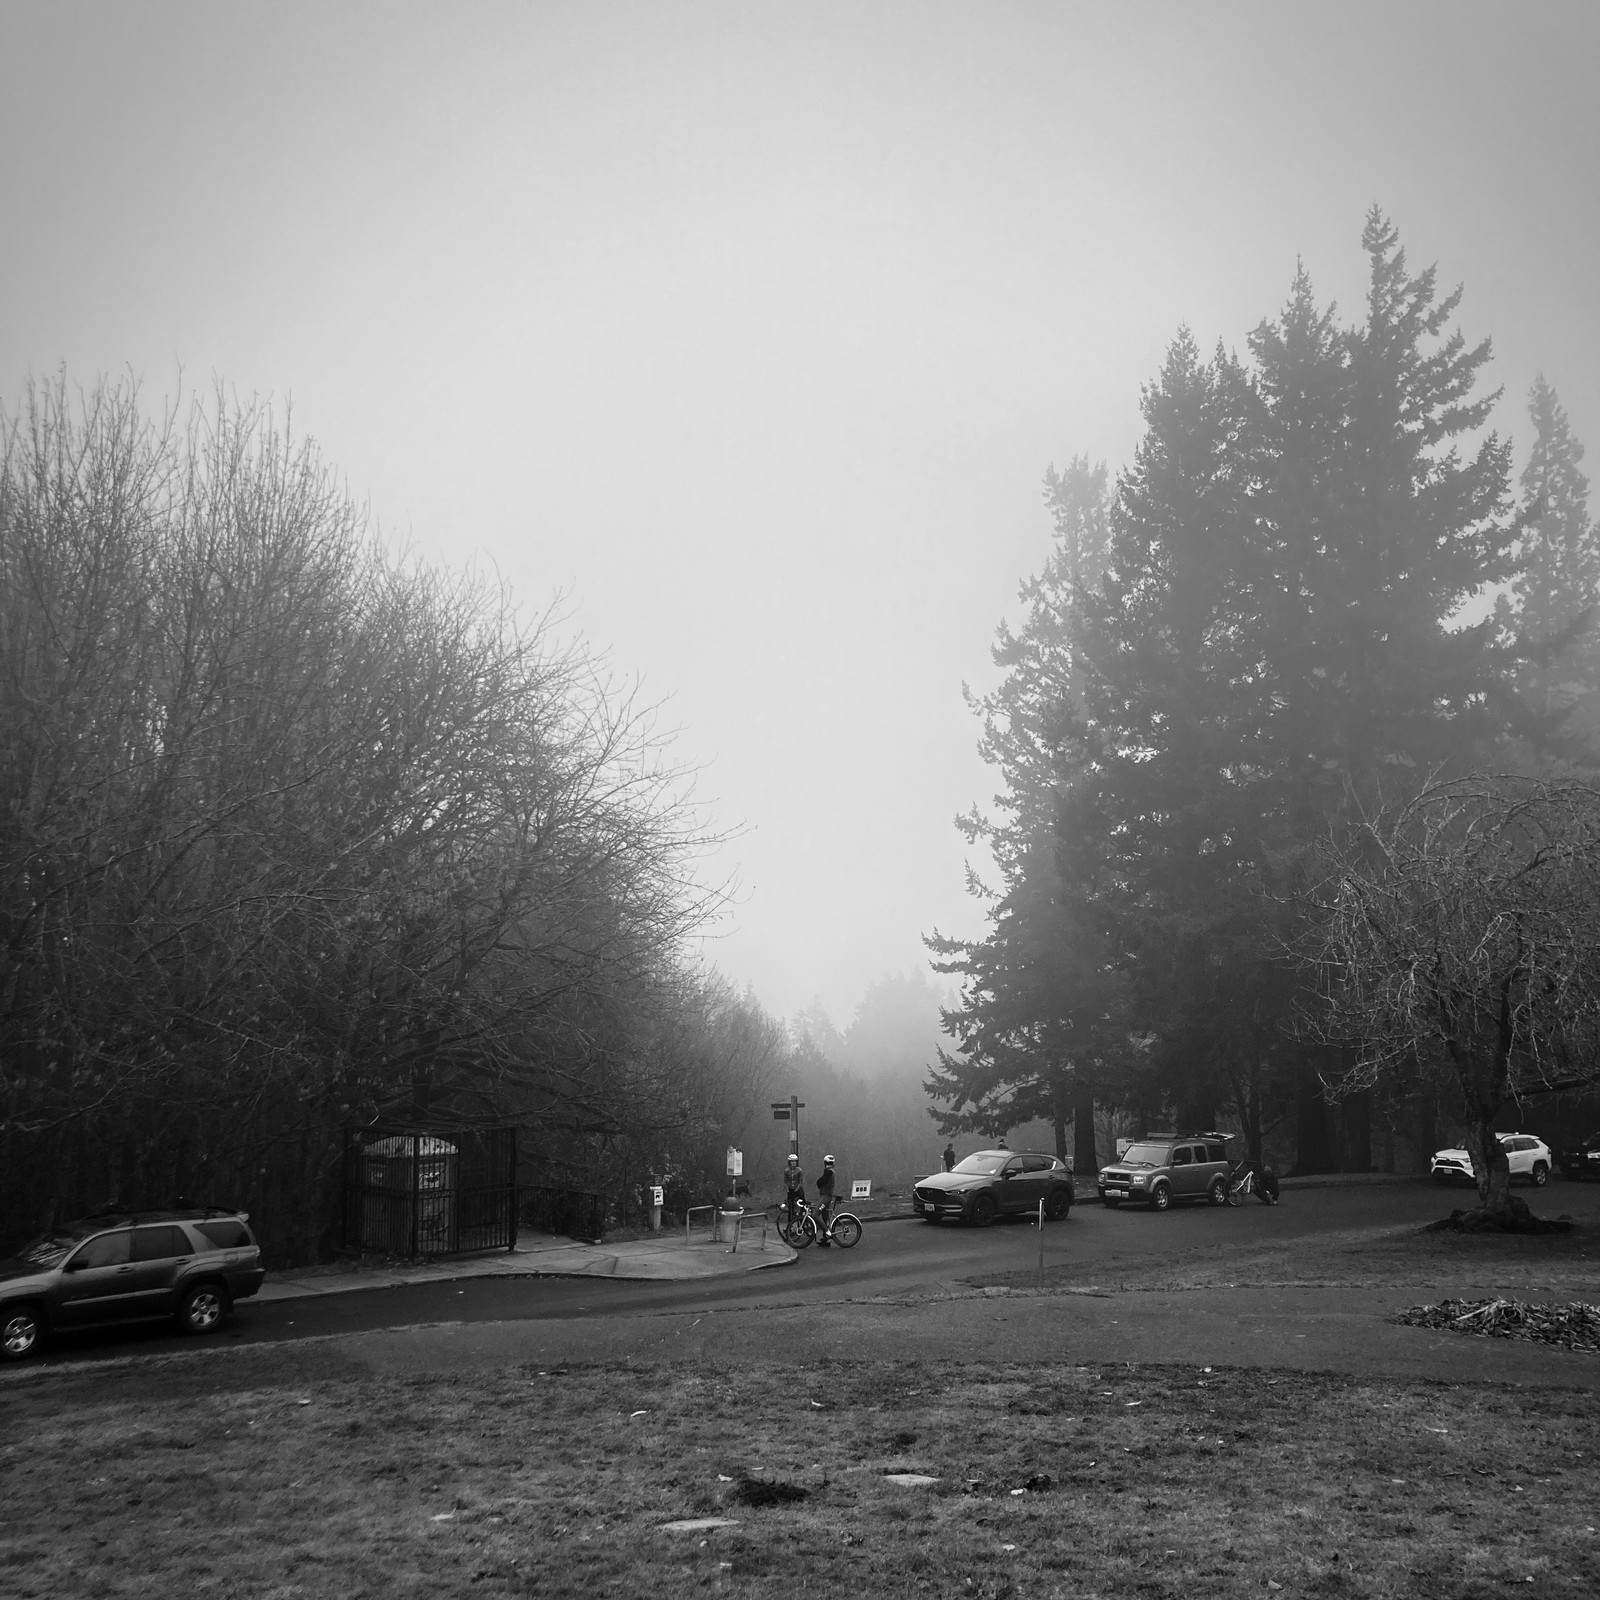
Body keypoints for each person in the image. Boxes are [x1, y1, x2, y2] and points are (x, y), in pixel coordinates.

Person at [815, 1154, 837, 1244]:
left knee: (815, 1215)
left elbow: (819, 1183)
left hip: (825, 1197)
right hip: (827, 1196)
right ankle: (826, 1240)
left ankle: (828, 1233)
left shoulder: (828, 1172)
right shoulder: (831, 1171)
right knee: (825, 1217)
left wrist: (818, 1182)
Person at [782, 1153, 805, 1234]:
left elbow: (801, 1182)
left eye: (795, 1161)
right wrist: (788, 1191)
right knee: (790, 1209)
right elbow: (785, 1182)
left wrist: (796, 1190)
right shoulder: (786, 1171)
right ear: (789, 1162)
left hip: (798, 1191)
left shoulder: (799, 1170)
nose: (794, 1163)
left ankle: (802, 1225)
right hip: (790, 1190)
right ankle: (789, 1227)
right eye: (792, 1161)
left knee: (802, 1207)